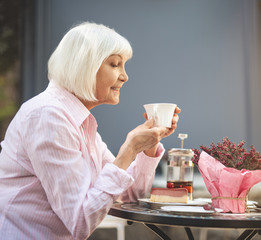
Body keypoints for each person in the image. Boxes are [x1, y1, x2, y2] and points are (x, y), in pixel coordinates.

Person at [0, 22, 180, 239]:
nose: (125, 76)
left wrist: (147, 148)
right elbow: (80, 221)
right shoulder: (48, 116)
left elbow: (128, 195)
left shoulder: (80, 121)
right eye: (115, 64)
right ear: (85, 66)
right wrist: (129, 150)